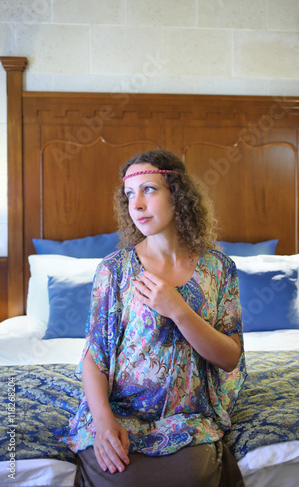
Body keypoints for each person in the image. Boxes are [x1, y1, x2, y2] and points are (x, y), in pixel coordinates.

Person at [59, 149, 246, 486]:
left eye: (149, 189)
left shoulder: (219, 269)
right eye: (130, 194)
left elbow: (230, 358)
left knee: (193, 477)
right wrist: (103, 424)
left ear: (178, 193)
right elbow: (94, 357)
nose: (138, 205)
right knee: (120, 476)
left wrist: (178, 309)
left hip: (186, 419)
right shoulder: (113, 270)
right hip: (119, 411)